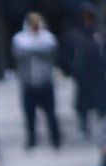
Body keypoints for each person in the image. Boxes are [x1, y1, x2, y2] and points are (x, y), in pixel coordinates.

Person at [13, 12, 63, 150]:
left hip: (45, 82)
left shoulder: (48, 38)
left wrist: (33, 50)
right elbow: (18, 54)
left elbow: (51, 53)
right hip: (28, 83)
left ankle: (56, 139)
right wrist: (36, 50)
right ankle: (31, 139)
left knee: (51, 114)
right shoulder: (20, 39)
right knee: (29, 115)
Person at [66, 3, 106, 142]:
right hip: (82, 74)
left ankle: (103, 128)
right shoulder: (74, 34)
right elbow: (68, 54)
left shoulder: (100, 32)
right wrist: (73, 68)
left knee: (101, 103)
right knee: (82, 104)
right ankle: (83, 128)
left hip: (99, 74)